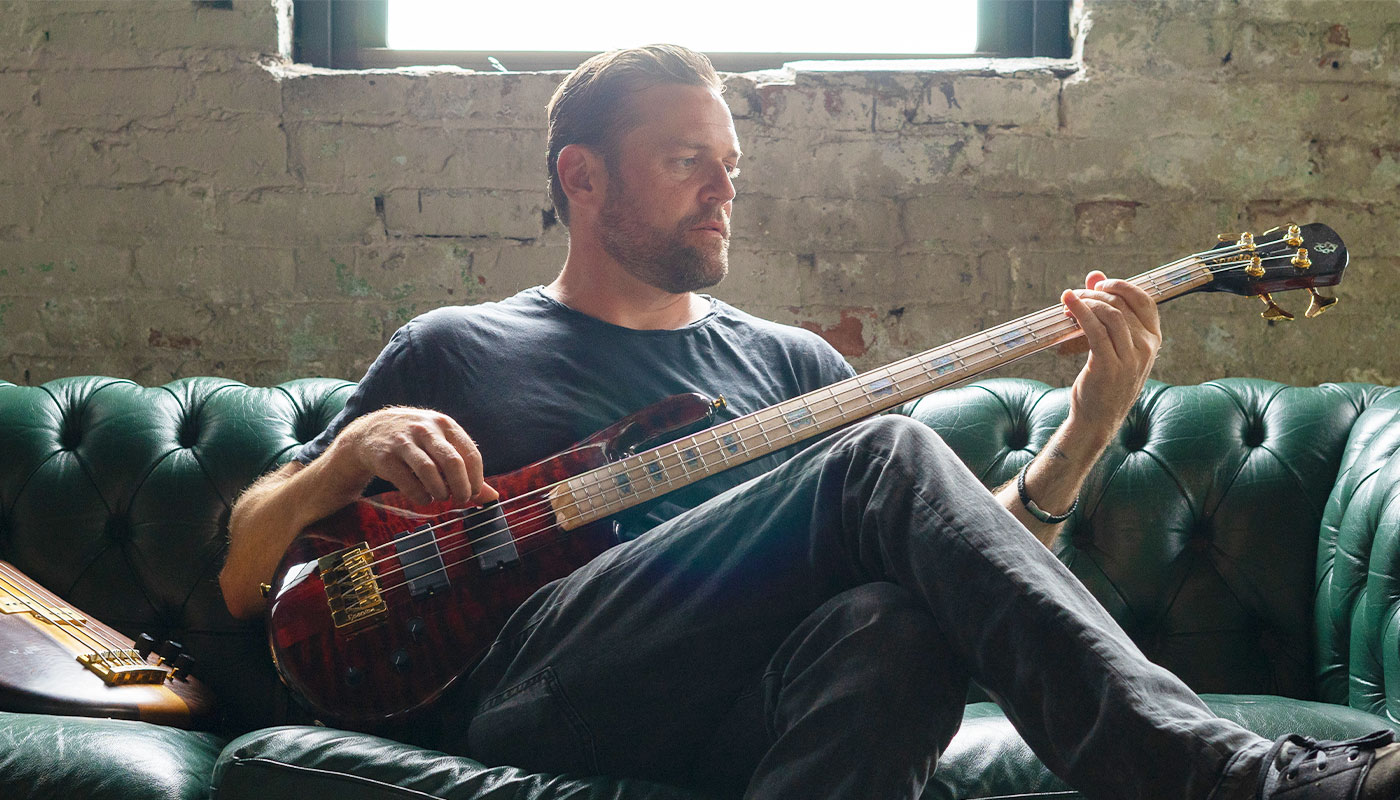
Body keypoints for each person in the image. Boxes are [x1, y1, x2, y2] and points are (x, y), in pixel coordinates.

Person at [219, 44, 1400, 800]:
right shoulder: (454, 346)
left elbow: (961, 570)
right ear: (581, 179)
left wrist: (1086, 427)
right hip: (536, 691)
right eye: (686, 160)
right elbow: (243, 576)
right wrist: (339, 462)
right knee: (878, 452)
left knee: (890, 624)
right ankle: (1231, 787)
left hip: (741, 706)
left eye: (728, 163)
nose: (723, 187)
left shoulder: (786, 362)